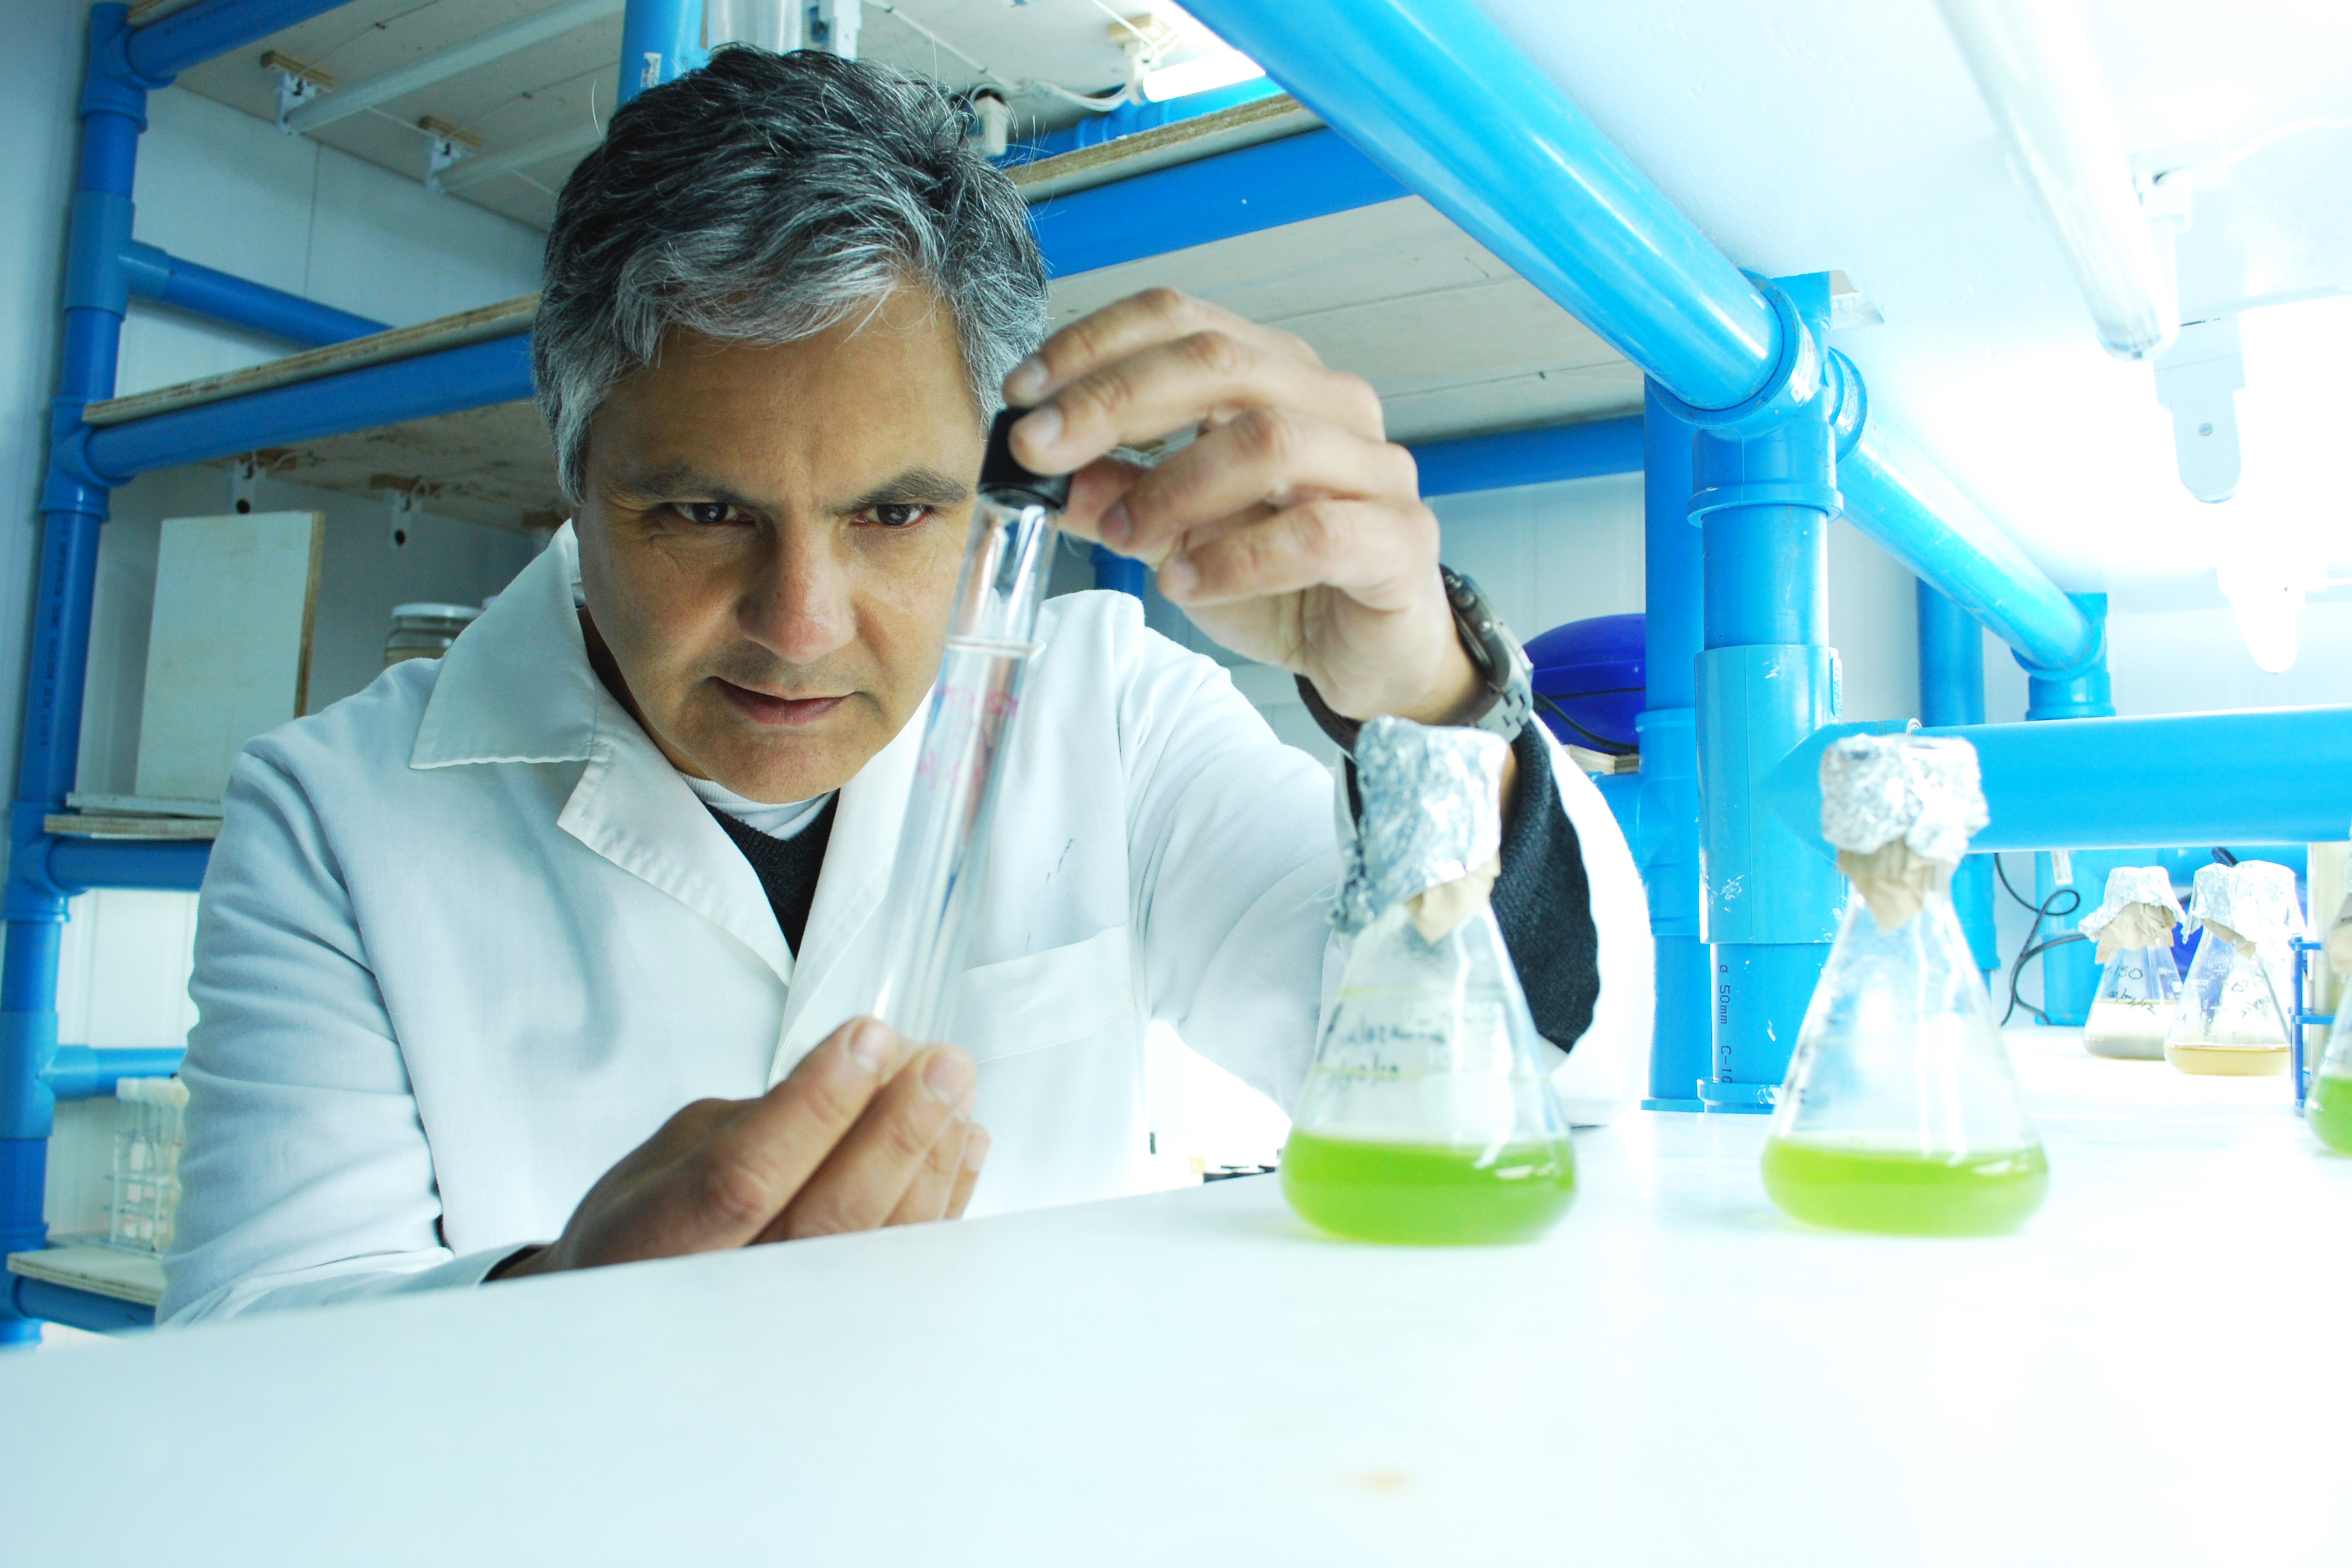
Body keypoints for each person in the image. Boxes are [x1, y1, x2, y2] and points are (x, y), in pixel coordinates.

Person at [160, 49, 1650, 1323]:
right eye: (700, 513)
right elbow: (245, 1353)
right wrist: (558, 1317)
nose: (801, 628)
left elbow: (1542, 1087)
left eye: (894, 514)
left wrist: (1422, 702)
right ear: (573, 468)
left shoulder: (1107, 714)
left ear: (995, 494)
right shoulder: (332, 818)